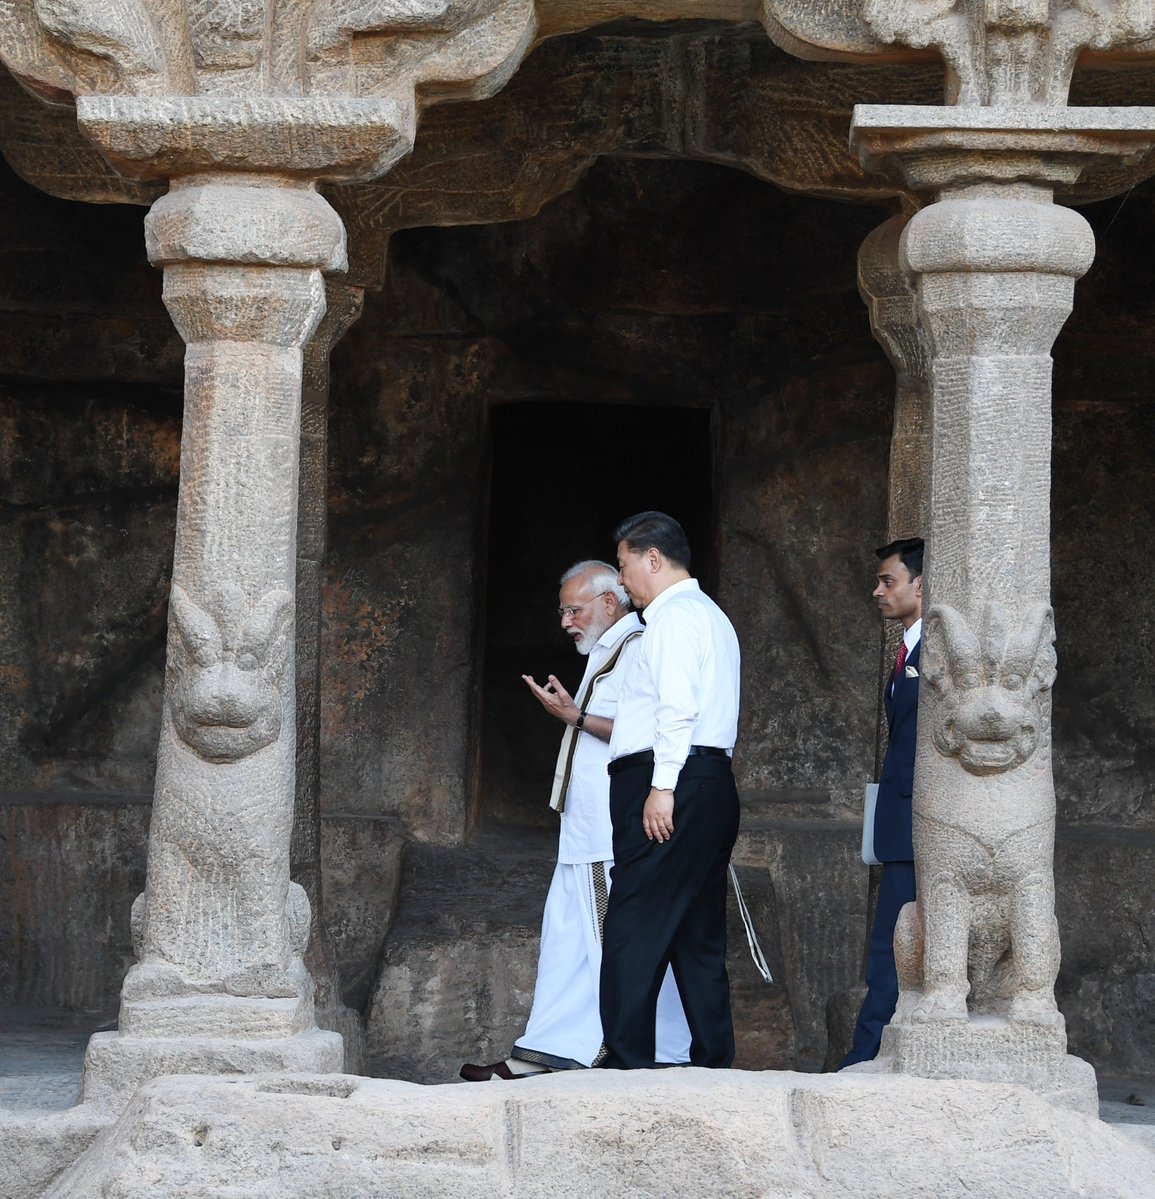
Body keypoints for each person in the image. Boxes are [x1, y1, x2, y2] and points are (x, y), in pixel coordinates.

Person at [460, 560, 690, 1080]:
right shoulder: (609, 650)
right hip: (584, 825)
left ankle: (643, 1046)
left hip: (609, 829)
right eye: (563, 610)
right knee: (569, 938)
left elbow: (644, 730)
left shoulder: (636, 647)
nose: (565, 621)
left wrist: (574, 717)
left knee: (612, 937)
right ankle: (545, 1048)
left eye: (574, 609)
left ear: (610, 601)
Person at [599, 512, 742, 1069]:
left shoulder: (676, 618)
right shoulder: (711, 615)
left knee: (633, 923)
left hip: (672, 781)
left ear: (653, 558)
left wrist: (661, 789)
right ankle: (712, 1060)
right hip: (707, 782)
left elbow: (676, 709)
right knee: (696, 934)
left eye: (624, 565)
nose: (621, 580)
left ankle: (627, 1062)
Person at [841, 536, 924, 1068]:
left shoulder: (937, 653)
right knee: (891, 945)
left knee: (894, 950)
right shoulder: (907, 652)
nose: (877, 591)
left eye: (887, 580)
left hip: (923, 823)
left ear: (923, 584)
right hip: (900, 819)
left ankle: (863, 1061)